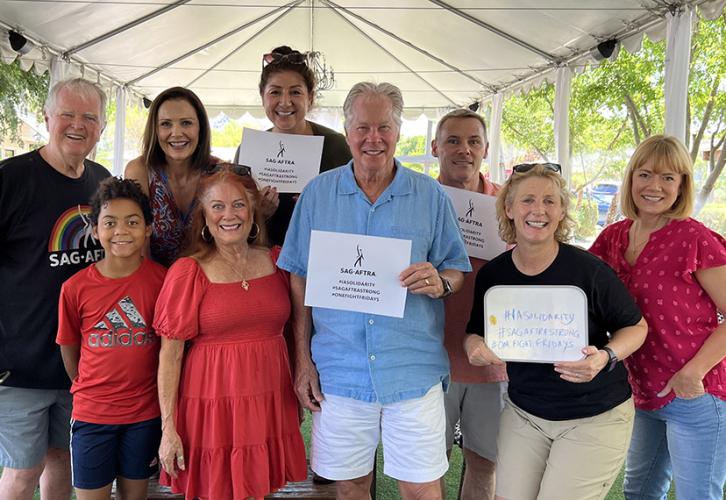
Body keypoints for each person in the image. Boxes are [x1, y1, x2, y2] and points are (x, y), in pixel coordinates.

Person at [279, 82, 471, 500]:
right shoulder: (317, 194)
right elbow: (299, 276)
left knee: (421, 490)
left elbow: (456, 266)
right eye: (363, 127)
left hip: (412, 370)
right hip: (340, 370)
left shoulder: (430, 195)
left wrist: (441, 284)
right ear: (346, 131)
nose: (373, 138)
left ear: (398, 131)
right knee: (350, 488)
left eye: (384, 126)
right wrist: (303, 360)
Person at [464, 163, 648, 500]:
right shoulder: (494, 275)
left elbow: (636, 327)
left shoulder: (589, 270)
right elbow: (474, 332)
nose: (539, 210)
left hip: (594, 415)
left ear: (562, 211)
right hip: (525, 412)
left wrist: (605, 356)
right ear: (508, 208)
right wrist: (474, 346)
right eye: (528, 200)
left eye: (550, 201)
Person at [154, 163, 307, 499]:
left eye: (238, 204)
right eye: (217, 206)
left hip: (268, 399)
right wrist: (168, 428)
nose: (229, 215)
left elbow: (298, 327)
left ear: (253, 211)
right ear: (204, 217)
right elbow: (170, 355)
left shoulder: (278, 261)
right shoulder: (188, 272)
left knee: (258, 488)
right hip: (211, 406)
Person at [590, 135, 726, 500]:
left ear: (682, 185)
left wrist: (692, 373)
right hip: (640, 391)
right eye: (645, 174)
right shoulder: (612, 237)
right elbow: (583, 297)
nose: (654, 186)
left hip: (693, 393)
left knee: (697, 495)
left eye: (668, 178)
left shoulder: (695, 238)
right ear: (631, 178)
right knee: (639, 491)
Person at [0, 78, 110, 500]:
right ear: (47, 117)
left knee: (64, 460)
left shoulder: (101, 182)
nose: (77, 125)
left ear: (101, 126)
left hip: (80, 365)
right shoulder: (12, 179)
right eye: (67, 114)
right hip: (19, 366)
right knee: (22, 472)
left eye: (89, 117)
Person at [56, 177, 166, 500]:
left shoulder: (163, 282)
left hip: (144, 416)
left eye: (132, 222)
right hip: (92, 416)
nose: (121, 231)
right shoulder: (75, 288)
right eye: (110, 222)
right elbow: (68, 347)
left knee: (135, 495)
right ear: (95, 229)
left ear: (148, 228)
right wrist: (88, 385)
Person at [432, 109, 506, 500]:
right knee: (430, 462)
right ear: (435, 148)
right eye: (453, 141)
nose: (464, 150)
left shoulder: (509, 203)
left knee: (485, 461)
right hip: (430, 356)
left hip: (492, 360)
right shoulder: (420, 199)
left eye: (473, 141)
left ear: (486, 149)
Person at [234, 45, 352, 246]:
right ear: (263, 97)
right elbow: (232, 218)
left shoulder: (337, 146)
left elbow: (357, 208)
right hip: (265, 261)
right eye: (275, 92)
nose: (285, 102)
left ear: (310, 97)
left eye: (295, 92)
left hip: (322, 257)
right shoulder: (248, 151)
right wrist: (258, 213)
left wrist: (323, 209)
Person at [124, 87, 217, 267]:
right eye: (166, 124)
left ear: (201, 127)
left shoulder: (218, 172)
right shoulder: (139, 171)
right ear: (155, 130)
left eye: (186, 123)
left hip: (207, 282)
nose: (176, 133)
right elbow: (137, 243)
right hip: (156, 283)